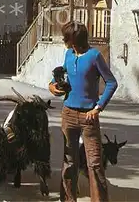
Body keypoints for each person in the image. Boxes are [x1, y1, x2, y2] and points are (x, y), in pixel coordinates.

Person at [48, 21, 118, 202]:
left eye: (66, 38)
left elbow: (111, 82)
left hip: (89, 117)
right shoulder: (69, 55)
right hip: (68, 114)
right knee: (69, 162)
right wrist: (52, 85)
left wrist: (98, 107)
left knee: (94, 164)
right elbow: (61, 74)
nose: (64, 41)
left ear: (74, 40)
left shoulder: (94, 56)